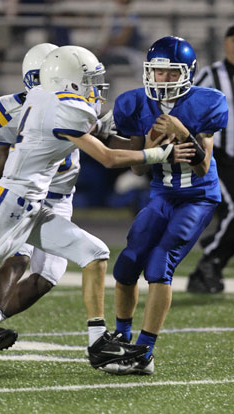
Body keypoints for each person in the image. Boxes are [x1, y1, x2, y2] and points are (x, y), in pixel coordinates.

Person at [0, 45, 194, 370]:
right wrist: (159, 155)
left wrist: (144, 136)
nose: (94, 85)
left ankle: (98, 343)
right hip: (10, 202)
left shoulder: (47, 99)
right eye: (87, 78)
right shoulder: (63, 107)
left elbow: (101, 136)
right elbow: (108, 157)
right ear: (67, 79)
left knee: (95, 252)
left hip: (36, 208)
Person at [0, 43, 117, 364]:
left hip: (58, 201)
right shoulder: (23, 108)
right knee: (12, 259)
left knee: (46, 279)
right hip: (23, 198)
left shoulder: (69, 105)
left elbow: (100, 136)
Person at [97, 36, 228, 375]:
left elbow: (201, 165)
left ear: (187, 74)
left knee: (159, 263)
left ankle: (144, 352)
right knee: (126, 265)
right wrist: (156, 143)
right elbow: (139, 167)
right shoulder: (135, 103)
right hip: (161, 194)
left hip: (197, 197)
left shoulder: (207, 102)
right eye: (158, 72)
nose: (163, 79)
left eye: (171, 74)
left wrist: (184, 133)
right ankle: (122, 339)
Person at [187, 25, 234, 294]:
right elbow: (191, 109)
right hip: (221, 156)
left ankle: (210, 266)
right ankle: (210, 259)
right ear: (226, 43)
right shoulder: (211, 75)